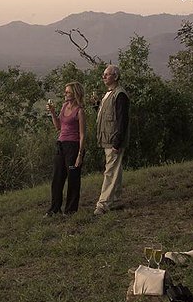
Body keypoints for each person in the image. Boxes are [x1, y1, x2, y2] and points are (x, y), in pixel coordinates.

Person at [93, 64, 130, 216]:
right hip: (107, 138)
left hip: (113, 139)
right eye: (103, 75)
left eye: (107, 74)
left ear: (115, 76)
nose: (104, 77)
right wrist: (96, 106)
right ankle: (115, 200)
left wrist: (117, 142)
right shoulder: (109, 94)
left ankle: (103, 204)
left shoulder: (120, 95)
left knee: (110, 171)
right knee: (115, 169)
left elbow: (122, 120)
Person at [45, 82, 86, 216]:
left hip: (73, 147)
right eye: (65, 91)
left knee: (73, 178)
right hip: (61, 144)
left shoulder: (80, 111)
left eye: (68, 92)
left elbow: (82, 134)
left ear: (75, 94)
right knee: (57, 178)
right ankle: (54, 209)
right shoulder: (64, 106)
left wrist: (80, 154)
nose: (65, 94)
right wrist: (52, 113)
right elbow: (58, 127)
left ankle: (70, 210)